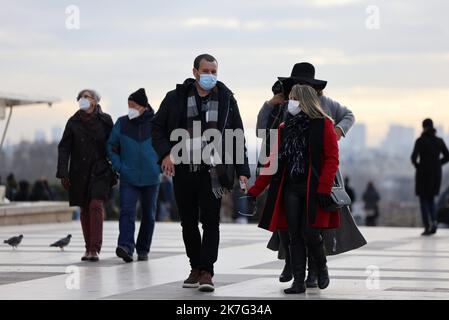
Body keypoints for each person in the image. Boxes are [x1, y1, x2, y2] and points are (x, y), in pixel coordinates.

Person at [151, 54, 250, 292]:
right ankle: (195, 266)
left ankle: (207, 271)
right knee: (187, 222)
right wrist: (165, 154)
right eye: (206, 71)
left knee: (211, 222)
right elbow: (156, 127)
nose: (210, 76)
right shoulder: (176, 98)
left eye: (214, 71)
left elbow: (237, 134)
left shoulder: (227, 99)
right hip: (184, 169)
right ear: (195, 72)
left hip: (213, 172)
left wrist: (243, 170)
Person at [256, 62, 357, 287]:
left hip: (319, 175)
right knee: (288, 227)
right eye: (296, 84)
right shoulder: (286, 102)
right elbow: (262, 130)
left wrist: (337, 131)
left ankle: (315, 271)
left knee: (312, 229)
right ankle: (292, 265)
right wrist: (271, 103)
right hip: (288, 172)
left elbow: (348, 115)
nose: (299, 89)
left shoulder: (324, 104)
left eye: (304, 84)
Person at [247, 84, 340, 294]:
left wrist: (324, 188)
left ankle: (321, 266)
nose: (291, 102)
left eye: (294, 98)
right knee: (293, 235)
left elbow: (332, 159)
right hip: (290, 188)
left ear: (305, 100)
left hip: (313, 190)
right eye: (290, 98)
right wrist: (254, 190)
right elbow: (273, 162)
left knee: (310, 233)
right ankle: (298, 282)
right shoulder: (284, 128)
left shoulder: (324, 124)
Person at [57, 89, 114, 262]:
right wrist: (63, 173)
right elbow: (64, 147)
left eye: (86, 97)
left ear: (95, 101)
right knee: (84, 208)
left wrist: (116, 165)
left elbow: (114, 144)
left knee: (96, 205)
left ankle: (94, 249)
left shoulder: (105, 120)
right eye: (81, 97)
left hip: (100, 170)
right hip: (79, 171)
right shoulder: (73, 122)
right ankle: (88, 247)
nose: (83, 100)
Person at [108, 88, 161, 262]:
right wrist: (119, 167)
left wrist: (158, 167)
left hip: (151, 178)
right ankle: (125, 247)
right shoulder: (121, 123)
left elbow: (166, 146)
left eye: (133, 105)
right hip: (128, 177)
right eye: (128, 105)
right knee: (127, 212)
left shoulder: (156, 123)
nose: (130, 108)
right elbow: (111, 147)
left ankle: (143, 249)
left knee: (149, 215)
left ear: (143, 107)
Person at [411, 118, 449, 235]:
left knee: (423, 200)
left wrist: (419, 167)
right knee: (431, 199)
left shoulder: (420, 141)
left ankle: (427, 226)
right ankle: (434, 222)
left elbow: (413, 158)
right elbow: (447, 156)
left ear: (423, 127)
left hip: (423, 175)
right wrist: (438, 164)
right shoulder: (439, 141)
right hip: (435, 175)